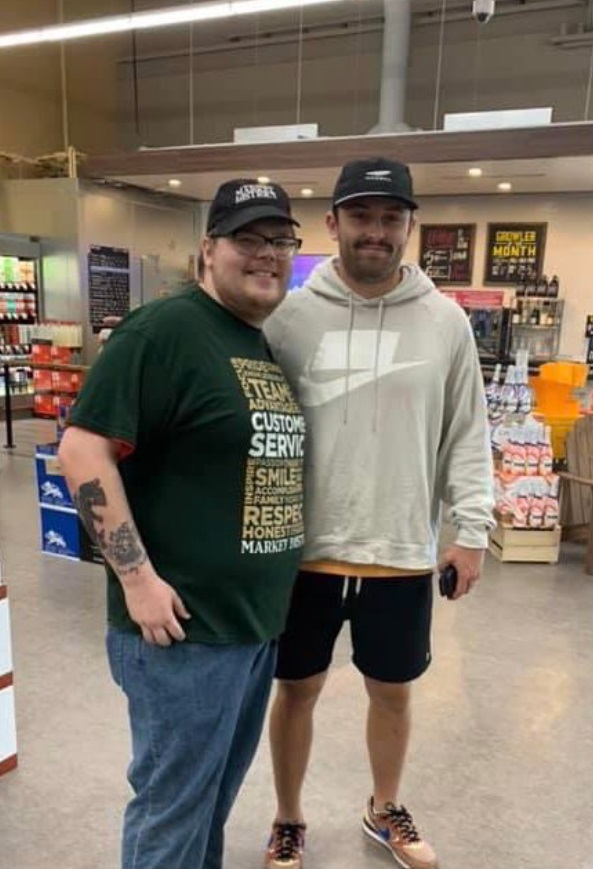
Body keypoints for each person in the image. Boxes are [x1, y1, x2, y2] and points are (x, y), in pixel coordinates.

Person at [58, 179, 307, 869]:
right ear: (208, 249)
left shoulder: (253, 342)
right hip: (185, 632)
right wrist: (136, 578)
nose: (266, 254)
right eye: (247, 239)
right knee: (172, 811)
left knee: (208, 804)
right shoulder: (164, 330)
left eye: (279, 240)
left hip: (248, 628)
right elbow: (81, 454)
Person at [262, 158, 495, 869]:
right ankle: (288, 817)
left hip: (399, 548)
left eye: (390, 218)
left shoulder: (444, 321)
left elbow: (467, 431)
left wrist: (471, 530)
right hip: (305, 550)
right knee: (295, 688)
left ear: (408, 226)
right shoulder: (287, 317)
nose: (376, 232)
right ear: (331, 223)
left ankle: (382, 805)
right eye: (360, 217)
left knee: (391, 691)